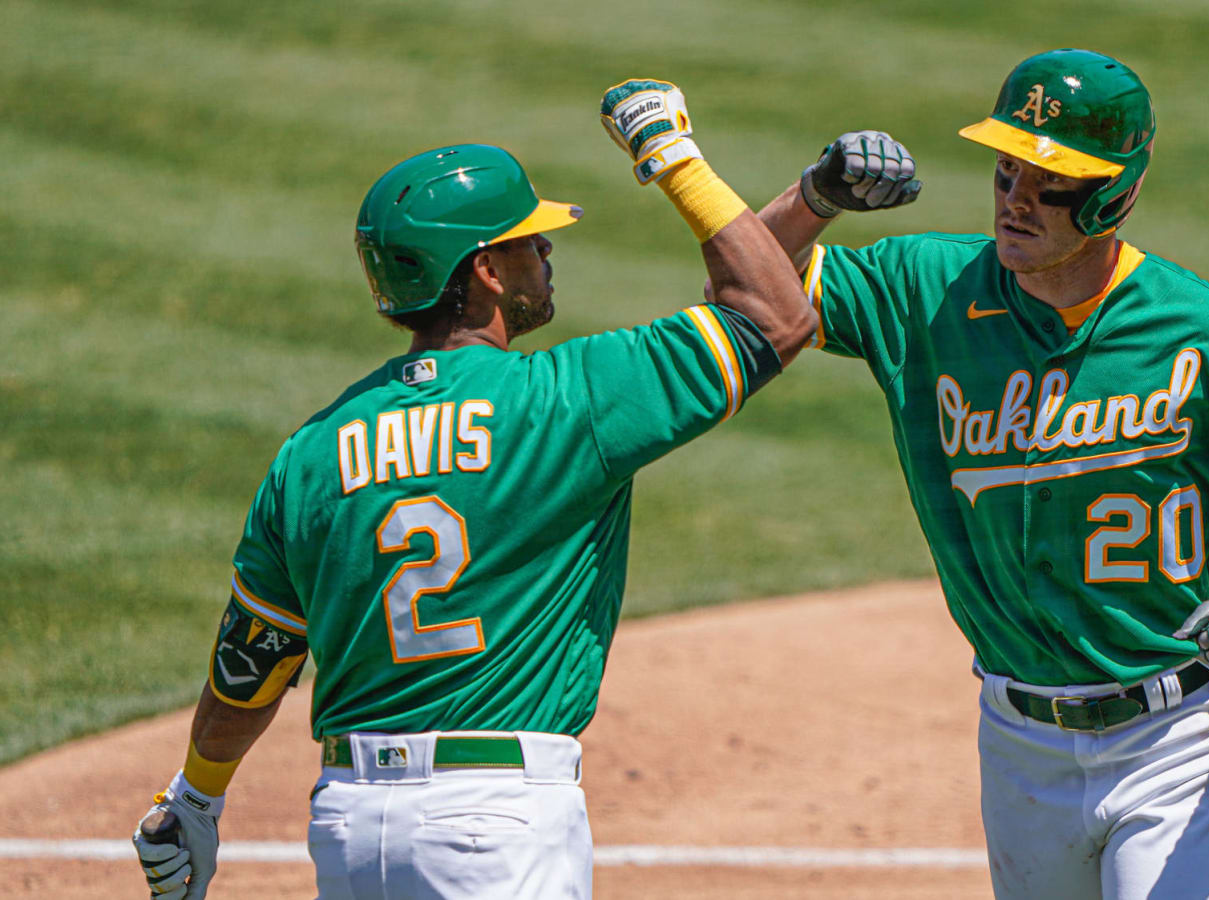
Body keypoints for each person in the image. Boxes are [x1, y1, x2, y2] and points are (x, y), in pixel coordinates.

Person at [130, 79, 813, 899]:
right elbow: (777, 315)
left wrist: (196, 797)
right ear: (485, 270)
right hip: (497, 825)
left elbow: (255, 661)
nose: (548, 252)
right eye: (530, 242)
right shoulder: (567, 400)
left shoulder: (309, 453)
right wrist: (670, 157)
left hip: (349, 825)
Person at [756, 48, 1209, 898]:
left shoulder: (1207, 332)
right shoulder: (927, 290)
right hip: (1018, 739)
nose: (1016, 200)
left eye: (1049, 181)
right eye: (1005, 172)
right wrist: (814, 199)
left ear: (1115, 193)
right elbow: (750, 286)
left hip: (1185, 735)